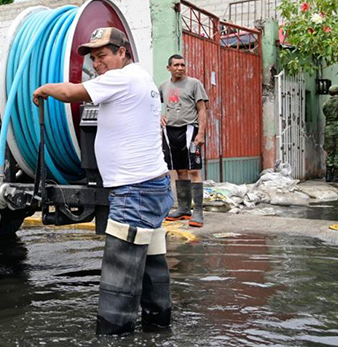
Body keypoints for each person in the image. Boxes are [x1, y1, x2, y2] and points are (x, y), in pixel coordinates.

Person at [32, 27, 172, 336]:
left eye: (103, 55)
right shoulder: (141, 77)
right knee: (151, 263)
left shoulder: (120, 78)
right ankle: (158, 327)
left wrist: (44, 89)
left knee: (120, 272)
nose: (98, 64)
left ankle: (113, 336)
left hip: (134, 191)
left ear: (122, 52)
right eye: (93, 59)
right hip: (151, 186)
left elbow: (70, 93)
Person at [160, 54, 209, 228]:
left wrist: (201, 133)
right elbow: (153, 104)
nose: (180, 68)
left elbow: (202, 110)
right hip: (170, 131)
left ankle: (198, 212)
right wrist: (159, 116)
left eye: (182, 65)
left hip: (190, 129)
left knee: (193, 170)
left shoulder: (194, 84)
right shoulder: (164, 86)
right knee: (179, 169)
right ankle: (183, 208)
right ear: (169, 68)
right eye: (176, 65)